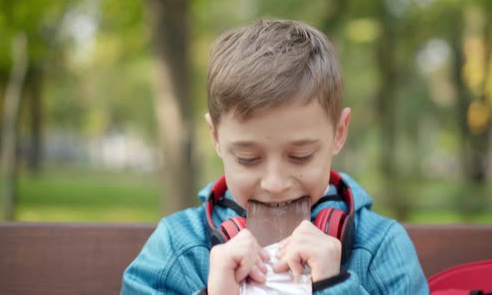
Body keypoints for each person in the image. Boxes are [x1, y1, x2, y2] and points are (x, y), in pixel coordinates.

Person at [121, 19, 428, 294]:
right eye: (247, 158)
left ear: (339, 133)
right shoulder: (179, 249)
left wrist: (336, 287)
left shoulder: (380, 247)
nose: (275, 183)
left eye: (300, 155)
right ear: (215, 137)